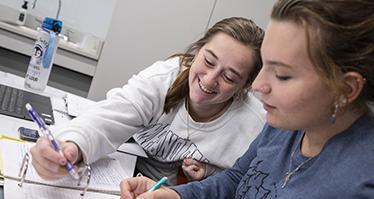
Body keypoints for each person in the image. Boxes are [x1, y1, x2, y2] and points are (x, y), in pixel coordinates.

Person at [118, 0, 374, 199]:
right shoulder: (288, 126)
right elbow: (237, 181)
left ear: (346, 89)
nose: (258, 85)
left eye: (282, 75)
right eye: (265, 65)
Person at [29, 17, 266, 186]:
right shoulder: (164, 78)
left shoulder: (254, 125)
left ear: (245, 86)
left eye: (229, 77)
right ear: (198, 50)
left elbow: (246, 183)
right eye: (209, 61)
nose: (210, 79)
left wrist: (211, 171)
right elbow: (109, 117)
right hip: (119, 177)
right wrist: (72, 146)